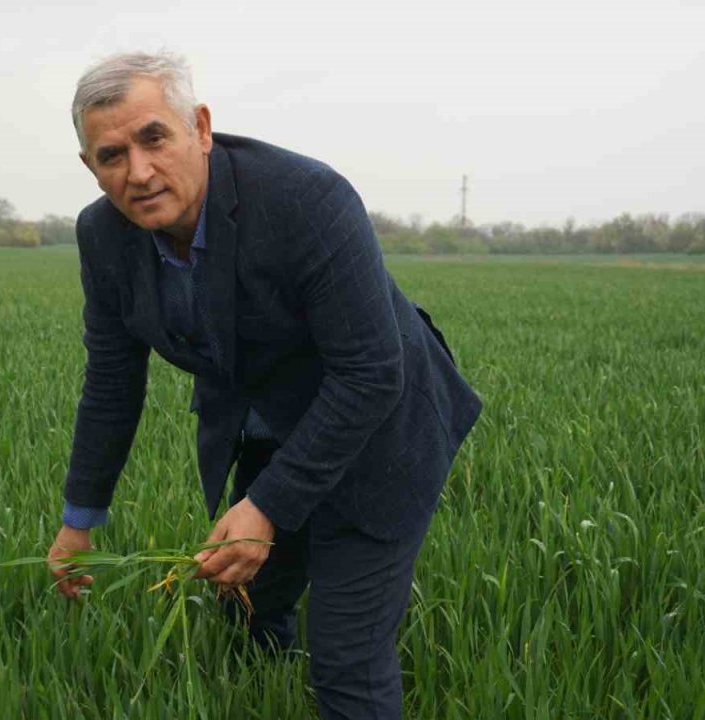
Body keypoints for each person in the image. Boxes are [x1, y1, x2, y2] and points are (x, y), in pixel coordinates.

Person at [46, 51, 482, 719]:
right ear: (89, 166)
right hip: (272, 426)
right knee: (243, 600)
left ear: (200, 126)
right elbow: (111, 379)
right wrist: (81, 518)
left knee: (346, 661)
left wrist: (268, 507)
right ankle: (261, 692)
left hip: (383, 430)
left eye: (154, 137)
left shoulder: (304, 200)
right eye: (111, 155)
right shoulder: (104, 236)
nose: (138, 171)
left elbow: (370, 373)